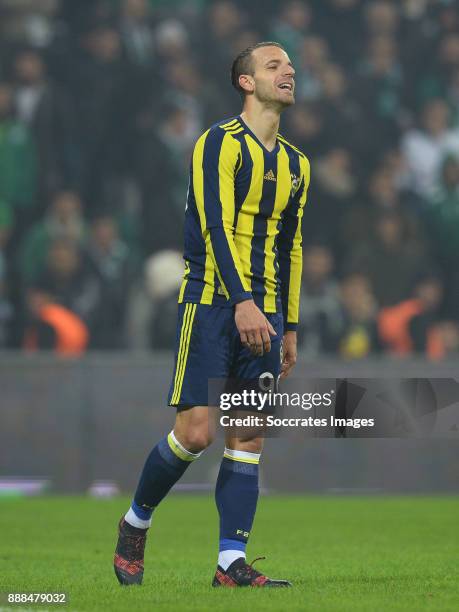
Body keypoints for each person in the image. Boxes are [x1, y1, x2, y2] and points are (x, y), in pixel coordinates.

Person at [114, 41, 310, 588]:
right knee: (195, 434)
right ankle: (135, 522)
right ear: (246, 82)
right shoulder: (218, 144)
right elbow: (212, 226)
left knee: (247, 437)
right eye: (274, 66)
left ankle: (230, 565)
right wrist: (243, 302)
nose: (288, 72)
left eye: (291, 66)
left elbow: (291, 246)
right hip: (212, 305)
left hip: (265, 313)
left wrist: (289, 324)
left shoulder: (297, 165)